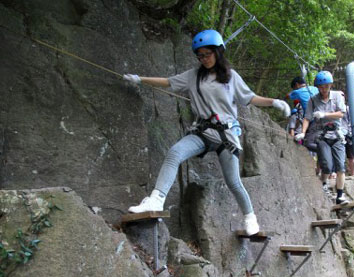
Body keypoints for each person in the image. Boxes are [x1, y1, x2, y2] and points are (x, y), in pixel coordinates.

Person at [122, 30, 290, 236]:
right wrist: (140, 79)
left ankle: (250, 217)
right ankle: (156, 200)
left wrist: (274, 102)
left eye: (207, 54)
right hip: (202, 132)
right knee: (175, 152)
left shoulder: (231, 77)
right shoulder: (193, 76)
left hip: (226, 136)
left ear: (218, 52)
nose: (204, 59)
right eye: (200, 55)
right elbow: (168, 81)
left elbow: (250, 98)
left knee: (233, 182)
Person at [295, 71, 349, 205]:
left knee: (341, 167)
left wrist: (324, 115)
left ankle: (340, 196)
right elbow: (307, 117)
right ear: (317, 87)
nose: (324, 89)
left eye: (326, 86)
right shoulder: (313, 100)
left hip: (337, 134)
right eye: (321, 87)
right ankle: (324, 183)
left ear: (330, 85)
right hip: (322, 135)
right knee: (327, 165)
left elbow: (341, 114)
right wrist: (303, 132)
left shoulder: (337, 96)